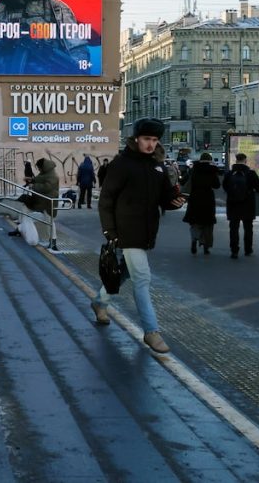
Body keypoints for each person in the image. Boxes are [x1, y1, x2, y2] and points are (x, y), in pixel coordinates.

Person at [92, 118, 184, 354]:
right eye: (146, 139)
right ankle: (151, 332)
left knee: (123, 273)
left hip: (147, 231)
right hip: (126, 231)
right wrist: (109, 232)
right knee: (142, 278)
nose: (151, 144)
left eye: (155, 140)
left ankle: (99, 302)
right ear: (136, 139)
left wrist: (174, 202)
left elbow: (164, 198)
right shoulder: (121, 164)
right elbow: (106, 200)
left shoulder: (157, 166)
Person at [222, 153, 259, 258]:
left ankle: (234, 250)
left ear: (236, 161)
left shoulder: (229, 174)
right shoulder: (251, 173)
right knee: (248, 228)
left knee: (233, 228)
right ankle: (248, 249)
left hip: (233, 204)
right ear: (245, 161)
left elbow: (225, 187)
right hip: (248, 204)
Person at [181, 152, 220, 255]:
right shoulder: (212, 170)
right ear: (210, 160)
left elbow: (184, 181)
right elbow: (216, 185)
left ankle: (194, 239)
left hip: (195, 198)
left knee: (195, 222)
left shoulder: (194, 169)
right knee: (207, 223)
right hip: (208, 199)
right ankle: (206, 247)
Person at [16, 157, 59, 245]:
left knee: (49, 221)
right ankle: (19, 228)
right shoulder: (44, 172)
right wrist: (31, 180)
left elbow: (47, 187)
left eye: (39, 168)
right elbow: (39, 179)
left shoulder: (53, 175)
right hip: (39, 200)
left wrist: (33, 186)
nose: (38, 169)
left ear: (43, 167)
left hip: (48, 202)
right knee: (24, 208)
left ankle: (53, 241)